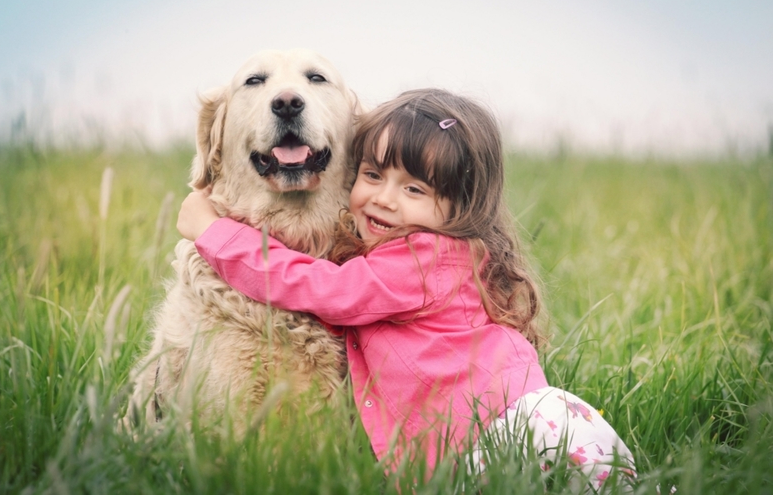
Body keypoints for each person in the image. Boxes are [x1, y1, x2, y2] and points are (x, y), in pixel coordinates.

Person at [177, 88, 637, 490]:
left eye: (414, 189)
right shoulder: (420, 257)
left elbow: (322, 289)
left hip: (520, 437)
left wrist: (213, 232)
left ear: (460, 205)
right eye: (373, 175)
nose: (384, 198)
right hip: (493, 445)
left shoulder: (423, 258)